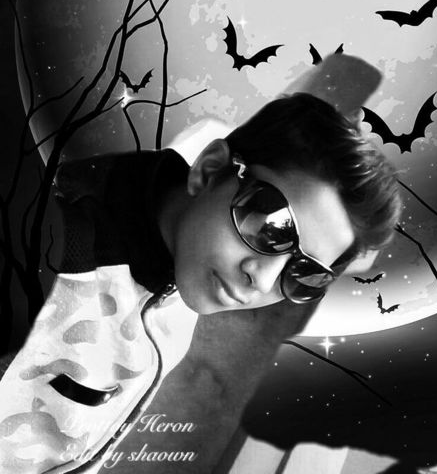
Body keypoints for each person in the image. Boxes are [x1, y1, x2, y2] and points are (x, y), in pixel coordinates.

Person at [0, 66, 402, 471]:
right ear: (209, 170)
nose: (261, 279)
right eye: (272, 226)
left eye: (303, 273)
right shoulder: (50, 251)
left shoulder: (181, 286)